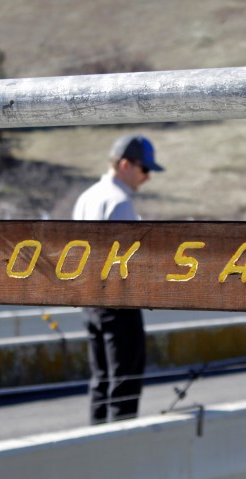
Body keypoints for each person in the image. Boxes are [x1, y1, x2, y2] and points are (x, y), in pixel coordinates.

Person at [72, 134, 164, 424]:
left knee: (100, 380)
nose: (147, 177)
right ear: (125, 164)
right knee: (125, 383)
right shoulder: (119, 202)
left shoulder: (86, 197)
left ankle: (95, 442)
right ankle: (119, 446)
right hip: (118, 302)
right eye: (144, 169)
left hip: (90, 302)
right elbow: (130, 262)